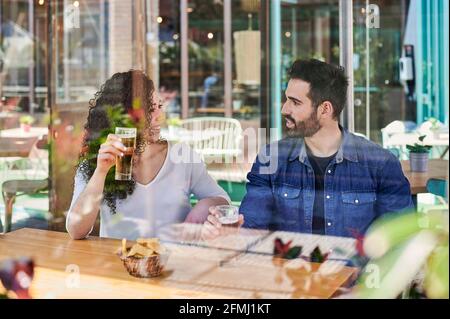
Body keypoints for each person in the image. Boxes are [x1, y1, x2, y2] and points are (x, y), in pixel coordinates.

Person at [204, 59, 414, 238]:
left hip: (357, 284)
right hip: (288, 282)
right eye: (286, 99)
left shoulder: (381, 164)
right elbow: (251, 226)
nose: (284, 109)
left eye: (295, 102)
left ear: (325, 109)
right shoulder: (271, 159)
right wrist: (231, 232)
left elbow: (401, 242)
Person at [66, 70, 230, 240]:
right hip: (117, 262)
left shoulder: (182, 157)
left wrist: (204, 207)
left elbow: (223, 200)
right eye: (150, 109)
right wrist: (101, 172)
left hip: (173, 262)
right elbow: (76, 231)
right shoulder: (97, 162)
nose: (159, 116)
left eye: (159, 106)